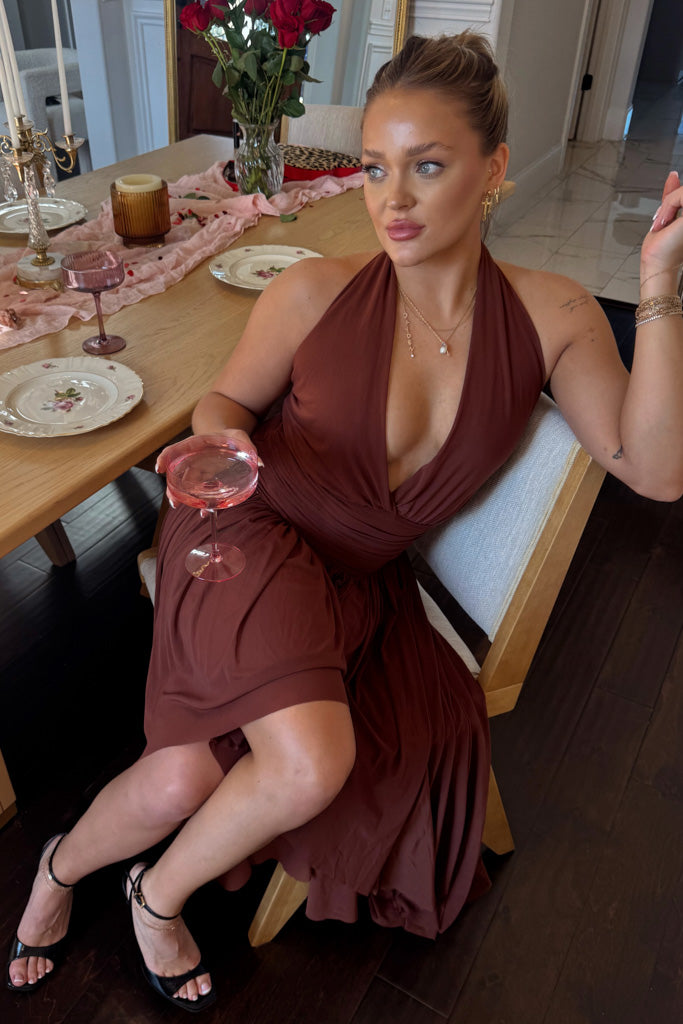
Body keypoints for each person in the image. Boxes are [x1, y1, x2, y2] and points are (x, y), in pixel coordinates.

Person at [7, 31, 683, 1012]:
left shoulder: (554, 315)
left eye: (428, 165)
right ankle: (81, 882)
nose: (391, 199)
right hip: (244, 527)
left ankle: (114, 878)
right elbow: (224, 407)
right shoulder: (311, 289)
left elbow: (654, 470)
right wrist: (216, 454)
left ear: (493, 169)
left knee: (185, 776)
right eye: (374, 167)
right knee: (312, 758)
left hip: (358, 574)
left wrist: (658, 288)